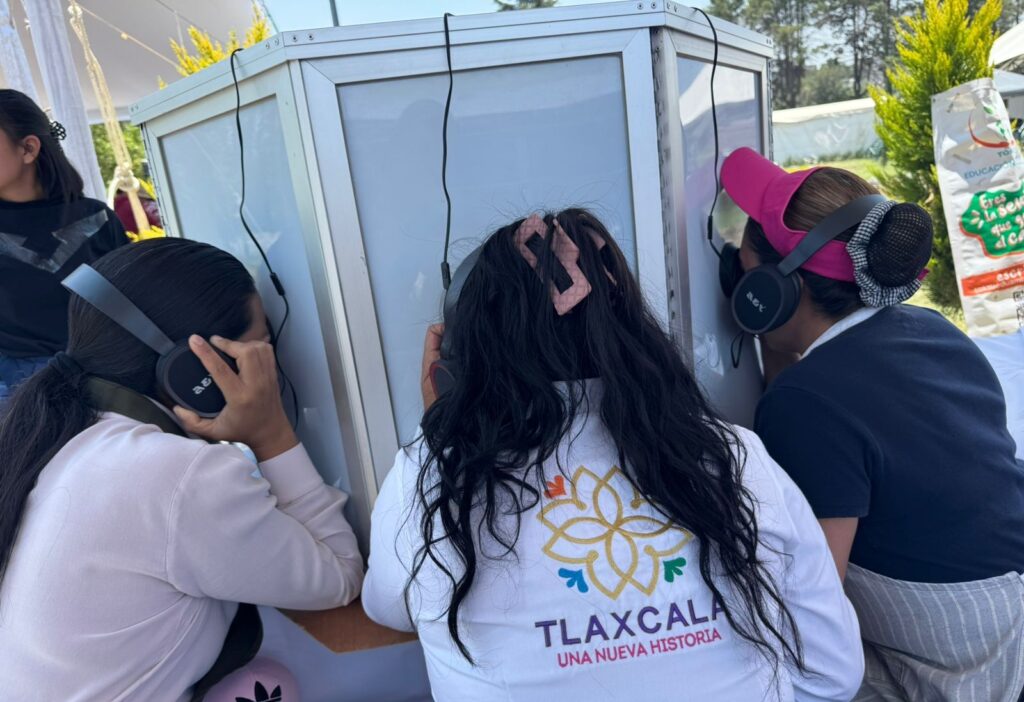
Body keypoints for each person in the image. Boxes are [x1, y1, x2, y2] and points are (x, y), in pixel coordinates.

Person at [362, 209, 864, 701]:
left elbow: (389, 608)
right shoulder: (736, 458)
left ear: (453, 370)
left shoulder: (429, 478)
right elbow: (832, 676)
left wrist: (443, 435)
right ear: (633, 332)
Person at [0, 238, 364, 701]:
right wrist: (271, 432)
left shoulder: (67, 440)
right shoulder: (172, 473)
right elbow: (338, 577)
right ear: (197, 372)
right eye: (260, 351)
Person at [720, 147, 1024, 700]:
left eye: (740, 271)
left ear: (770, 292)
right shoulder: (933, 330)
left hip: (967, 661)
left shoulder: (806, 403)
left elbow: (816, 600)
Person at [0, 89, 129, 406]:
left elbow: (132, 304)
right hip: (16, 395)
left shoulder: (97, 219)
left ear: (28, 148)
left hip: (106, 381)